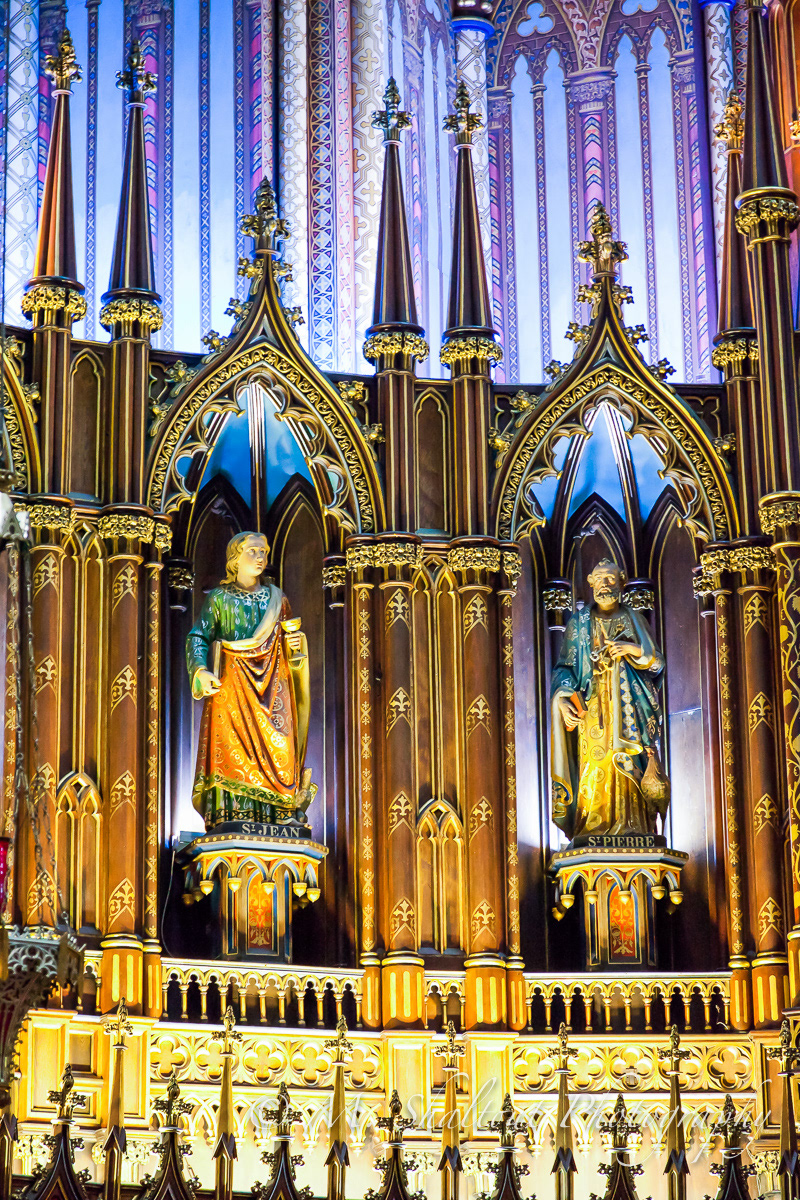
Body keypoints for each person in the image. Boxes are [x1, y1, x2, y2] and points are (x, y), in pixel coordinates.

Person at [186, 531, 311, 828]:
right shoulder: (219, 598)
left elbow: (288, 643)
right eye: (252, 551)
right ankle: (230, 816)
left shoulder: (277, 599)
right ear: (235, 558)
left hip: (273, 684)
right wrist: (200, 671)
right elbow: (198, 636)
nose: (259, 557)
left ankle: (280, 814)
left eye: (263, 552)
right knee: (230, 751)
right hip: (232, 684)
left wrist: (296, 645)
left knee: (280, 747)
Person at [550, 558, 668, 841]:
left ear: (622, 582)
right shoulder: (579, 623)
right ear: (590, 583)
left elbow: (657, 665)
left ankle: (636, 827)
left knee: (630, 764)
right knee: (595, 766)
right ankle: (593, 827)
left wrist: (632, 649)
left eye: (611, 579)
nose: (605, 584)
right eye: (600, 578)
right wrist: (562, 700)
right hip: (592, 710)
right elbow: (564, 669)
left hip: (630, 711)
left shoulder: (634, 619)